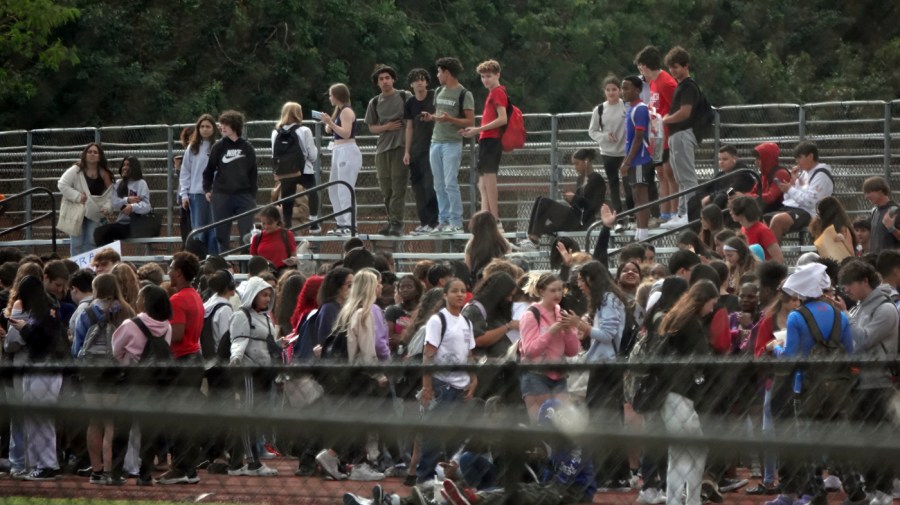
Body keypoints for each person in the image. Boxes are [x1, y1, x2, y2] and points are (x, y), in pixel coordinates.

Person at [837, 260, 897, 505]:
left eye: (849, 284)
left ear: (864, 282)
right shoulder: (859, 307)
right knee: (862, 439)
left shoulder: (885, 309)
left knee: (879, 438)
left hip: (879, 383)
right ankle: (871, 489)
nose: (845, 290)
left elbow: (861, 341)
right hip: (859, 383)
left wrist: (844, 317)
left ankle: (883, 492)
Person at [656, 280, 718, 505]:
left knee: (678, 451)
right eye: (711, 303)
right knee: (695, 450)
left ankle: (677, 500)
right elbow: (704, 357)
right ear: (703, 300)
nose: (712, 308)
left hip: (669, 391)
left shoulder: (677, 317)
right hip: (681, 392)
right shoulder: (692, 323)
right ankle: (692, 500)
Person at [576, 261, 632, 490]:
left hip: (606, 367)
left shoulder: (608, 299)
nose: (579, 284)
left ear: (591, 279)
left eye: (582, 279)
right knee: (608, 418)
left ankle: (608, 474)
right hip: (605, 365)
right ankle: (615, 474)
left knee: (602, 418)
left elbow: (608, 335)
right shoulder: (607, 299)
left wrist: (582, 326)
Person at [416, 278, 477, 484]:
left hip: (461, 386)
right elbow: (428, 354)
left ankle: (449, 480)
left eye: (463, 291)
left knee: (456, 437)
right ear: (445, 295)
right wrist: (427, 386)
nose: (460, 295)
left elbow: (469, 354)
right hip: (443, 385)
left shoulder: (466, 321)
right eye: (454, 291)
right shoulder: (438, 320)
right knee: (434, 435)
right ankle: (424, 478)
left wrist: (473, 379)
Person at [158, 251, 204, 485]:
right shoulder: (194, 295)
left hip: (182, 360)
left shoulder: (177, 299)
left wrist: (156, 333)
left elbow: (175, 334)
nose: (168, 272)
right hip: (194, 358)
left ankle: (181, 469)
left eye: (171, 268)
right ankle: (188, 468)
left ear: (178, 272)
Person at [226, 276, 279, 477]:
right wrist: (236, 358)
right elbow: (237, 341)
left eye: (269, 295)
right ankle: (253, 462)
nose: (267, 299)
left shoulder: (265, 317)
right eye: (263, 294)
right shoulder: (241, 316)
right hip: (248, 373)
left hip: (264, 373)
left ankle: (242, 461)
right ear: (253, 295)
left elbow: (269, 342)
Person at [422, 57, 475, 235]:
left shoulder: (464, 94)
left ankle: (456, 221)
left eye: (439, 72)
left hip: (452, 142)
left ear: (447, 72)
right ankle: (443, 220)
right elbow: (439, 115)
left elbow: (469, 120)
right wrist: (432, 117)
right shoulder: (438, 91)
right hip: (435, 141)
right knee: (438, 183)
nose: (437, 75)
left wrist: (450, 119)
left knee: (450, 182)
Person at [518, 273, 581, 421]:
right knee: (542, 423)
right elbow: (529, 351)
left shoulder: (562, 313)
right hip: (535, 374)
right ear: (541, 291)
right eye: (552, 290)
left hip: (559, 375)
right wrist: (552, 331)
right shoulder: (531, 315)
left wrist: (568, 331)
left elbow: (573, 351)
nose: (558, 294)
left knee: (564, 422)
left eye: (560, 290)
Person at [518, 149, 606, 251]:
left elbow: (594, 207)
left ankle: (534, 241)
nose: (575, 168)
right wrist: (571, 200)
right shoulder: (580, 179)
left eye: (577, 164)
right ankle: (531, 238)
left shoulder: (597, 179)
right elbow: (578, 203)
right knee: (540, 200)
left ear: (586, 161)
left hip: (582, 221)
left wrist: (575, 198)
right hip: (573, 216)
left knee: (544, 202)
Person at [202, 110, 258, 253]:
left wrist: (252, 196)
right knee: (221, 234)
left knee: (246, 234)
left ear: (235, 126)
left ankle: (245, 266)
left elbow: (253, 174)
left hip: (244, 196)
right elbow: (208, 171)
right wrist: (207, 189)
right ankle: (226, 265)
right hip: (222, 196)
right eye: (221, 124)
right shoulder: (218, 147)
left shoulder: (247, 147)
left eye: (226, 124)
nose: (222, 127)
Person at [460, 59, 508, 222]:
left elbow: (503, 119)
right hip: (486, 139)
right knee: (482, 181)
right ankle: (485, 212)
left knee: (489, 177)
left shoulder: (498, 93)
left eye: (488, 76)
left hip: (492, 139)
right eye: (482, 77)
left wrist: (478, 130)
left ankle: (494, 216)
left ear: (497, 75)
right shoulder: (492, 93)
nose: (485, 80)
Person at [365, 65, 410, 236]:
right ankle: (390, 220)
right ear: (378, 83)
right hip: (383, 147)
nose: (385, 81)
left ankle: (397, 222)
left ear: (393, 79)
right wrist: (387, 126)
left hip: (401, 144)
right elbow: (371, 127)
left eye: (387, 78)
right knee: (386, 187)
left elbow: (414, 117)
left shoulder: (404, 96)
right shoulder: (374, 102)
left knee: (399, 184)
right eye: (381, 79)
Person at [634, 45, 676, 222]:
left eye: (641, 67)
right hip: (656, 135)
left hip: (667, 134)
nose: (640, 71)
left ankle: (676, 212)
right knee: (661, 174)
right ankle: (665, 212)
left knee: (670, 173)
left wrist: (664, 120)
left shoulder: (666, 82)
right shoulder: (652, 82)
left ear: (646, 65)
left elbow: (676, 108)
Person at [661, 46, 701, 229]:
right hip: (675, 135)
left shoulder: (689, 86)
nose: (673, 71)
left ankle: (690, 213)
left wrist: (667, 119)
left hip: (683, 133)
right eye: (670, 67)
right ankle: (682, 212)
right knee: (679, 177)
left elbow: (685, 112)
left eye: (676, 67)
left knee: (687, 177)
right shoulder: (680, 86)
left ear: (686, 66)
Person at [768, 142, 834, 242]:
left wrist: (790, 189)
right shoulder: (804, 173)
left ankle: (774, 257)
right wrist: (793, 183)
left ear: (810, 157)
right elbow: (788, 199)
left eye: (799, 158)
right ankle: (761, 255)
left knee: (778, 220)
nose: (797, 161)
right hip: (794, 209)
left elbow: (810, 201)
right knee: (761, 220)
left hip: (810, 213)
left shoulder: (821, 175)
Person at [320, 83, 362, 236]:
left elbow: (346, 133)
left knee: (345, 188)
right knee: (333, 188)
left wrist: (331, 123)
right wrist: (329, 124)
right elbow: (333, 130)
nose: (330, 98)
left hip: (347, 151)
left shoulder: (346, 111)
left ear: (337, 96)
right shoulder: (338, 111)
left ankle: (351, 225)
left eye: (331, 95)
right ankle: (341, 223)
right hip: (338, 150)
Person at [57, 143, 114, 256]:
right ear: (85, 154)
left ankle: (89, 269)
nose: (92, 154)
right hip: (77, 210)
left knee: (91, 241)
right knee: (77, 242)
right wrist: (77, 196)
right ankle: (77, 270)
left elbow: (112, 193)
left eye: (95, 152)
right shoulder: (76, 170)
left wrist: (108, 207)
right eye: (89, 151)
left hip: (95, 212)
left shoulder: (104, 173)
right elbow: (62, 184)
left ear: (99, 156)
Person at [271, 102, 319, 232]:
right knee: (312, 192)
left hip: (285, 171)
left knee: (287, 197)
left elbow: (273, 153)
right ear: (298, 114)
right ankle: (314, 222)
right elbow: (313, 155)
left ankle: (287, 225)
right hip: (304, 169)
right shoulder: (304, 130)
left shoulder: (275, 132)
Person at [619, 76, 654, 241]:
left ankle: (643, 233)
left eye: (627, 88)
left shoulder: (640, 109)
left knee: (641, 195)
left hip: (640, 159)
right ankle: (639, 232)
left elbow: (638, 138)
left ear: (638, 90)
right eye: (622, 88)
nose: (623, 92)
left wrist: (627, 161)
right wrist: (626, 160)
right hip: (633, 160)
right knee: (635, 196)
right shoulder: (630, 109)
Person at [589, 74, 628, 214]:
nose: (611, 92)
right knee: (613, 182)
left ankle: (631, 213)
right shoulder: (599, 110)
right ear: (604, 91)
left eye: (614, 89)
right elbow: (592, 131)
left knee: (628, 182)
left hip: (625, 152)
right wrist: (605, 136)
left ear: (620, 90)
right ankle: (618, 214)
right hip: (608, 152)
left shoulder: (626, 106)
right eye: (608, 90)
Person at [180, 114, 219, 253]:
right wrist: (184, 194)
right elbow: (185, 172)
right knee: (199, 230)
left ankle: (214, 260)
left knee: (215, 230)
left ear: (214, 128)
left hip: (216, 194)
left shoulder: (218, 147)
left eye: (208, 126)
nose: (205, 129)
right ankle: (200, 261)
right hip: (196, 194)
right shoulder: (192, 147)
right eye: (202, 126)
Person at [94, 157, 154, 246]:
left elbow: (147, 206)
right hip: (122, 223)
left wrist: (132, 207)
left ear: (134, 167)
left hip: (136, 225)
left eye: (128, 165)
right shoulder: (119, 183)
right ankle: (110, 257)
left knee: (103, 232)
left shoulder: (141, 183)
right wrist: (127, 200)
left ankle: (111, 258)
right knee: (100, 232)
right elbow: (114, 202)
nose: (124, 167)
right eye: (124, 165)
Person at [730, 196, 784, 262]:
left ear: (743, 212)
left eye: (734, 209)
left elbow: (778, 258)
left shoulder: (763, 230)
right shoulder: (743, 229)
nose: (731, 212)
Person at [465, 211, 511, 284]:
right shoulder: (504, 243)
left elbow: (467, 269)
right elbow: (508, 264)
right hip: (500, 281)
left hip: (478, 282)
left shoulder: (472, 244)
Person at [745, 142, 791, 214]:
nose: (756, 162)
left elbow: (770, 198)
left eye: (759, 159)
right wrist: (742, 197)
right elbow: (752, 192)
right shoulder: (763, 175)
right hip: (766, 209)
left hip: (779, 210)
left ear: (767, 158)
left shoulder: (781, 173)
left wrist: (746, 197)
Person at [249, 206, 297, 273]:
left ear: (277, 221)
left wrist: (293, 260)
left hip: (282, 272)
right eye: (263, 223)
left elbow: (293, 255)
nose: (266, 226)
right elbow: (255, 259)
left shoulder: (287, 234)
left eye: (269, 223)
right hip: (263, 273)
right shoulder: (257, 238)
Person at [809, 196, 856, 261]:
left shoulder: (843, 229)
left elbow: (851, 253)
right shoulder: (818, 226)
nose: (818, 215)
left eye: (820, 213)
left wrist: (842, 242)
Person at [861, 176, 900, 254]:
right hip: (876, 261)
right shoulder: (874, 211)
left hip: (890, 262)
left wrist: (891, 228)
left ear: (880, 191)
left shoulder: (895, 211)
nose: (866, 197)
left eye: (868, 192)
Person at [385, 275, 423, 353]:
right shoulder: (392, 310)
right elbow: (390, 337)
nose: (405, 290)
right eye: (402, 287)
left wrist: (401, 339)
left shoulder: (423, 310)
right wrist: (413, 339)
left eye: (409, 287)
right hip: (397, 356)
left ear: (417, 290)